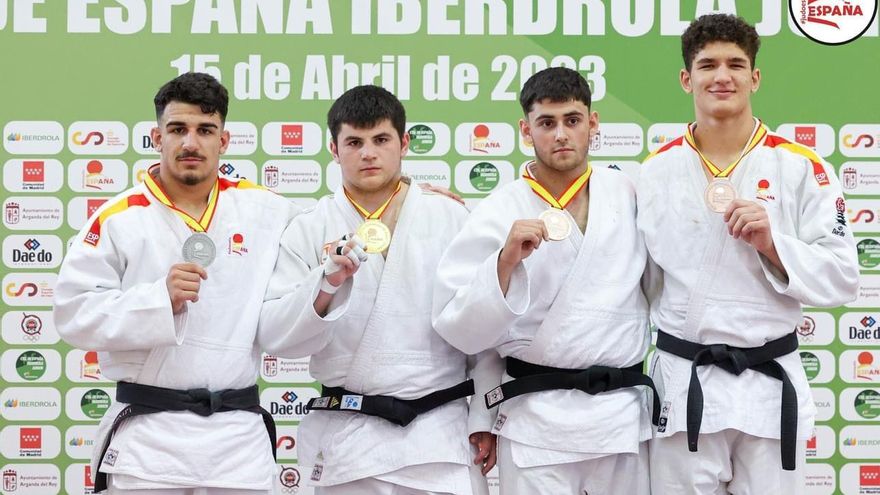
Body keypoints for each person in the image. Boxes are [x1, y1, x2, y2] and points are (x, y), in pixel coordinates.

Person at [638, 13, 859, 495]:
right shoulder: (654, 173)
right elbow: (639, 283)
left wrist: (774, 243)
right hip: (684, 384)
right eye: (707, 64)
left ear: (754, 77)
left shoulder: (803, 167)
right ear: (686, 78)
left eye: (736, 65)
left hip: (769, 388)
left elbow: (844, 276)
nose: (722, 76)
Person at [53, 72, 299, 494]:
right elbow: (72, 314)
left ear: (223, 141)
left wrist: (407, 194)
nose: (191, 143)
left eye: (205, 130)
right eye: (178, 129)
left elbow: (335, 228)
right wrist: (156, 300)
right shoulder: (119, 217)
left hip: (237, 443)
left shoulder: (268, 210)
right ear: (157, 137)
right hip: (149, 442)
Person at [258, 84, 497, 495]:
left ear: (404, 143)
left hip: (439, 436)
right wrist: (326, 284)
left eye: (381, 139)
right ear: (334, 149)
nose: (368, 153)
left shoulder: (451, 217)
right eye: (354, 142)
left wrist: (484, 417)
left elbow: (485, 329)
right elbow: (277, 336)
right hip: (348, 439)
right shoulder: (309, 227)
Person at [432, 66, 656, 495]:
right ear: (525, 128)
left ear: (592, 122)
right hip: (535, 419)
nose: (560, 135)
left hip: (619, 415)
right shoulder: (500, 210)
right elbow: (457, 324)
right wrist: (504, 261)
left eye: (572, 120)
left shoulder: (630, 191)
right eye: (546, 123)